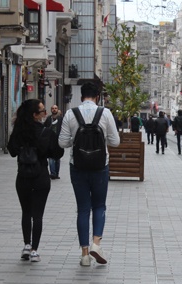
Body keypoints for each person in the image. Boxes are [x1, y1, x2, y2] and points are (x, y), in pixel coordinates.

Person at [58, 82, 121, 266]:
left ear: (81, 96)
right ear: (98, 96)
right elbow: (115, 142)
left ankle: (85, 255)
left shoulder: (71, 113)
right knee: (99, 206)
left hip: (77, 166)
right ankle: (96, 243)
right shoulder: (105, 113)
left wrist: (75, 140)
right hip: (101, 165)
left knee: (83, 208)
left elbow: (62, 143)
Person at [8, 99, 64, 262]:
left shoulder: (19, 131)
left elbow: (11, 151)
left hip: (23, 175)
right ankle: (34, 250)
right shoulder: (46, 132)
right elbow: (57, 153)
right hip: (41, 176)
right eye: (42, 111)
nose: (45, 113)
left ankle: (26, 245)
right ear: (34, 115)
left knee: (26, 212)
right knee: (38, 215)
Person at [44, 104, 64, 179]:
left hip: (58, 141)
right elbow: (45, 128)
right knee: (51, 157)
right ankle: (53, 173)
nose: (54, 109)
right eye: (53, 108)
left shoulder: (61, 119)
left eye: (56, 108)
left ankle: (56, 173)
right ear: (51, 110)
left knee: (57, 158)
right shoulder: (49, 119)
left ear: (57, 109)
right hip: (50, 141)